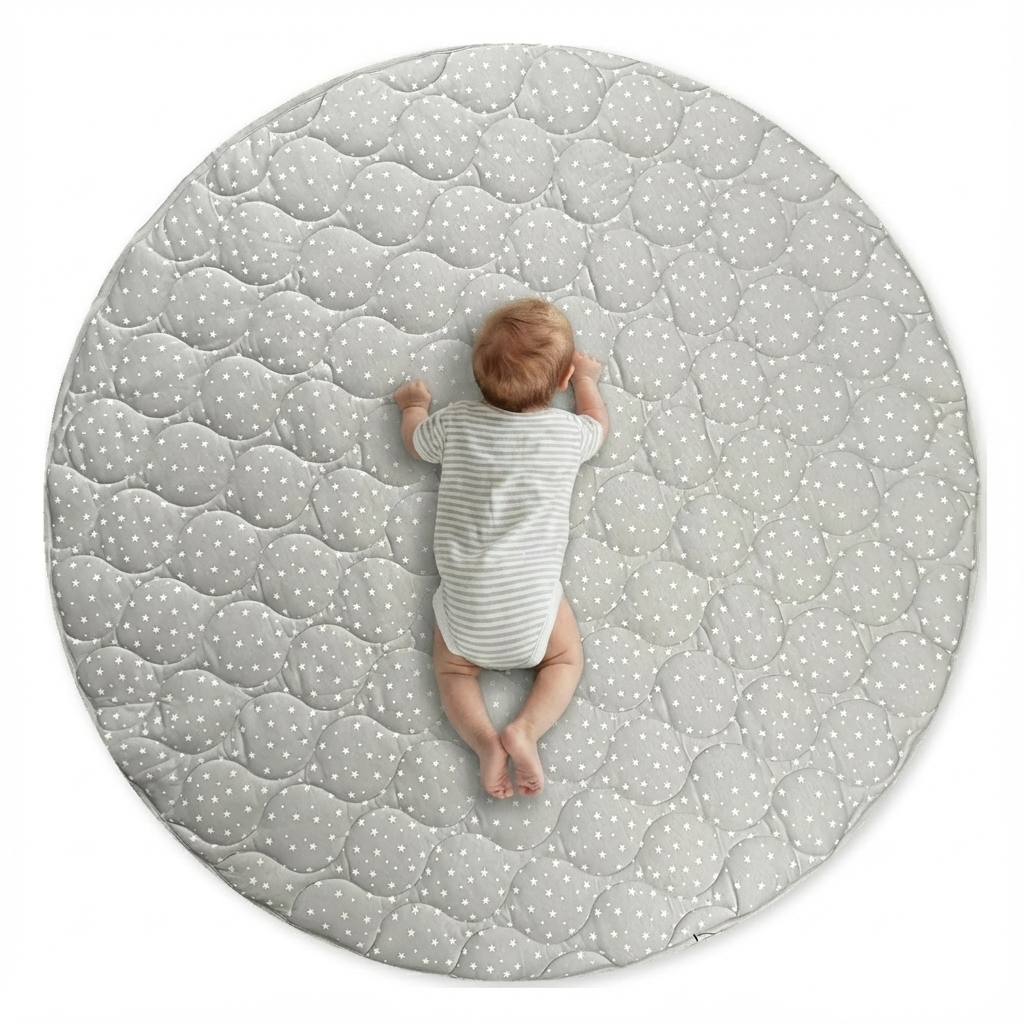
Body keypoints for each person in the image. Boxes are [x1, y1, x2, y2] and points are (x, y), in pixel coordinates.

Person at [393, 297, 609, 798]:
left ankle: (486, 743)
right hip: (531, 603)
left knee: (452, 670)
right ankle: (525, 729)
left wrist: (414, 407)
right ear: (559, 382)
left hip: (466, 605)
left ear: (477, 376)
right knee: (565, 662)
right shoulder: (565, 432)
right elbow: (599, 424)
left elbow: (414, 442)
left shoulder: (456, 423)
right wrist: (587, 382)